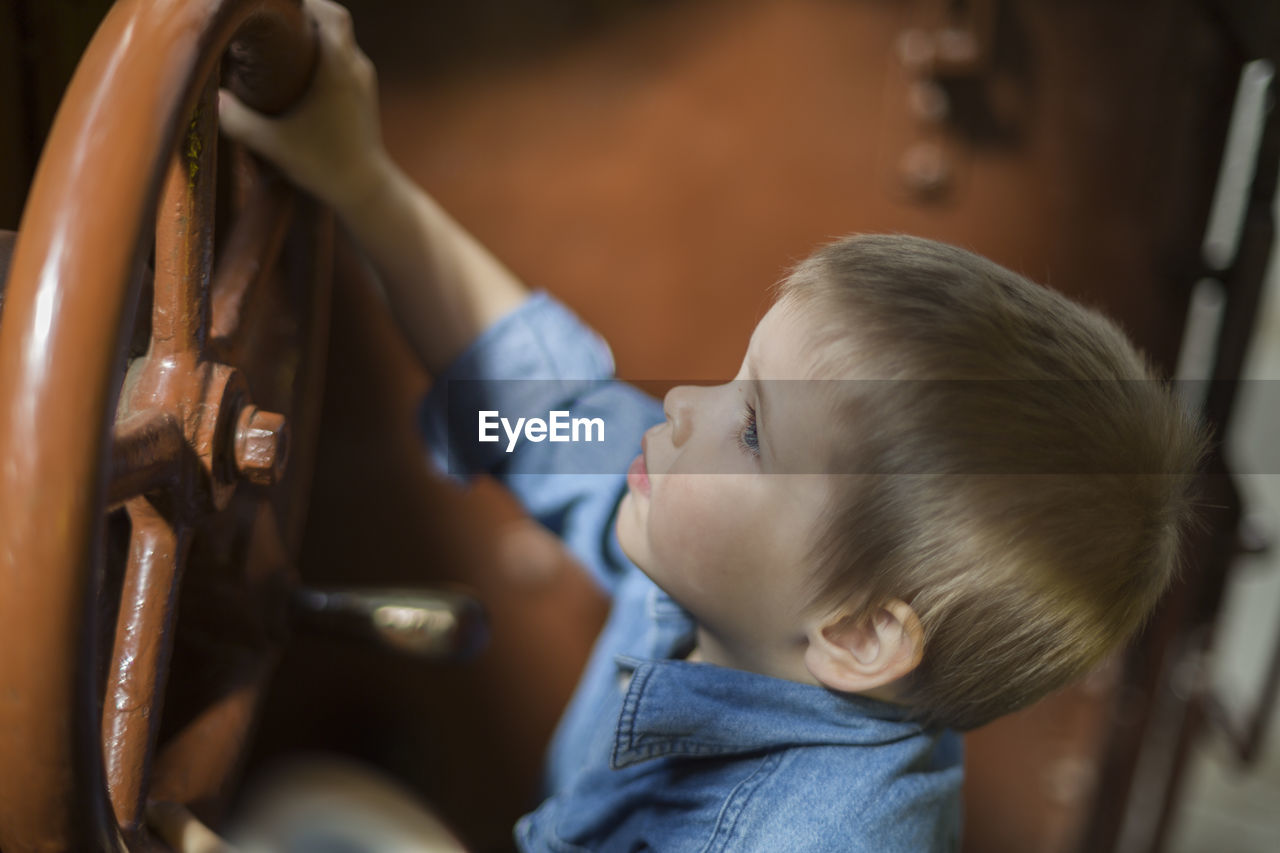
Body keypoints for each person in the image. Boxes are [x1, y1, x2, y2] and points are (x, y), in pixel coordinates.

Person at [219, 2, 1206, 850]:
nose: (685, 405)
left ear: (859, 633)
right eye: (737, 380)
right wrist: (358, 178)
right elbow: (552, 413)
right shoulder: (742, 587)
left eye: (749, 430)